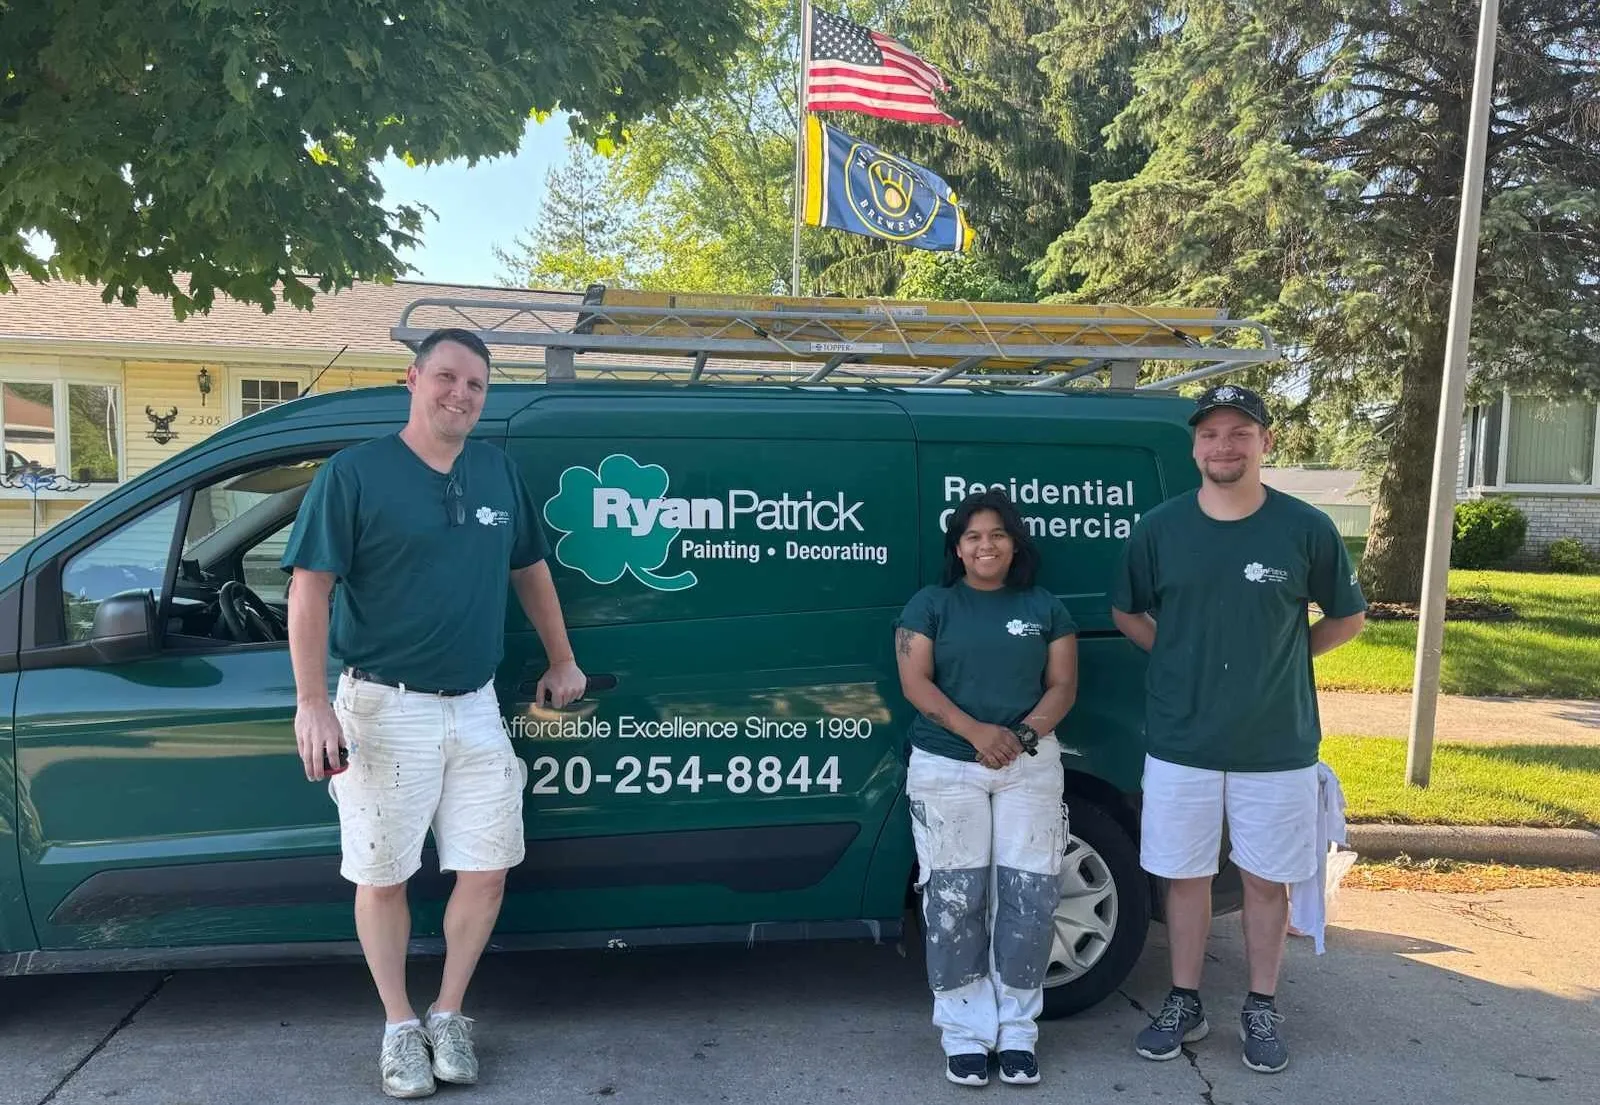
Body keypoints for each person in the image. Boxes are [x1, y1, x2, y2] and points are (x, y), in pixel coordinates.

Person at [282, 327, 586, 1099]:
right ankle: (397, 1025)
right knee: (383, 875)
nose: (461, 394)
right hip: (382, 708)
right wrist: (312, 701)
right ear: (412, 379)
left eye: (476, 384)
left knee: (487, 868)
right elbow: (309, 588)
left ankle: (449, 1012)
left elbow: (530, 569)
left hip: (476, 705)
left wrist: (562, 657)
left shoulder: (496, 471)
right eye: (447, 377)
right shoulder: (354, 475)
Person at [1109, 384, 1366, 1075]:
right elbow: (1127, 611)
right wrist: (1172, 652)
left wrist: (1283, 658)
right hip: (1181, 742)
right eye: (1212, 434)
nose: (1225, 445)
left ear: (1265, 442)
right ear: (1195, 446)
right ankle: (1185, 999)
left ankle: (1259, 1004)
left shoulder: (1305, 528)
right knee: (1184, 877)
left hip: (1274, 742)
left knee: (1265, 879)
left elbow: (1346, 617)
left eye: (1240, 432)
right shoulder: (1159, 528)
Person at [894, 490, 1079, 1088]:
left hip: (1028, 765)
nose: (985, 545)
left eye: (997, 534)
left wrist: (1020, 737)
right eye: (972, 536)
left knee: (1029, 898)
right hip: (947, 766)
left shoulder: (1046, 607)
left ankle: (1019, 1031)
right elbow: (915, 681)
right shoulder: (931, 605)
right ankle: (965, 1033)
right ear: (957, 546)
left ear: (1015, 542)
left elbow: (1062, 687)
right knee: (954, 900)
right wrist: (977, 733)